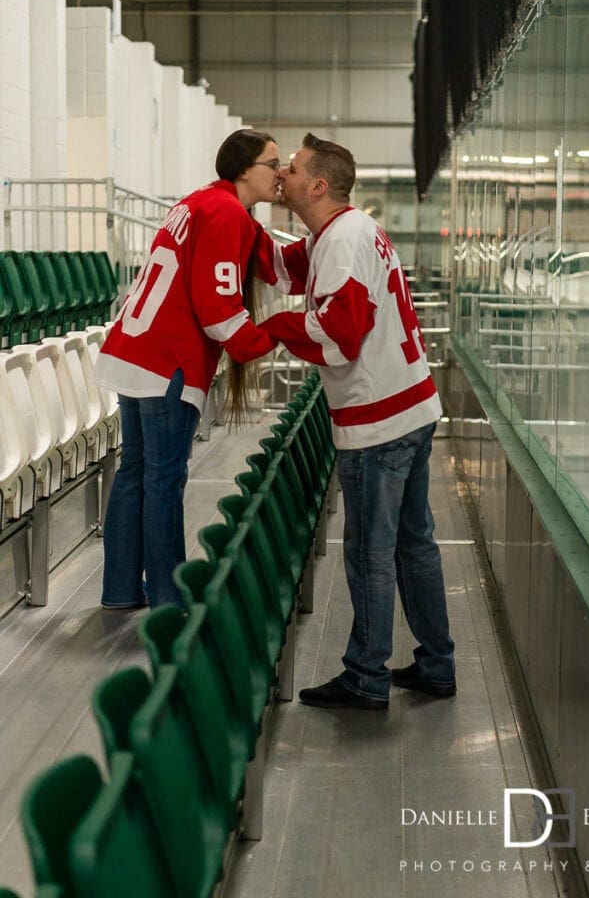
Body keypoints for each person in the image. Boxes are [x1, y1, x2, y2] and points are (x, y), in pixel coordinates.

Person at [256, 133, 456, 710]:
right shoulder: (346, 231)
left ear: (317, 185)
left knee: (371, 551)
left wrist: (272, 331)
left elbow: (340, 338)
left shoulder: (341, 241)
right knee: (414, 544)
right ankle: (436, 664)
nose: (281, 175)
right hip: (412, 406)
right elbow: (283, 267)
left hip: (380, 422)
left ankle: (366, 676)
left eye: (289, 169)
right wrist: (236, 212)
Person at [94, 128, 279, 609]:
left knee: (136, 471)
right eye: (272, 165)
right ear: (244, 169)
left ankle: (119, 589)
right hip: (166, 361)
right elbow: (217, 306)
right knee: (161, 478)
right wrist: (262, 341)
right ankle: (169, 600)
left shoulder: (198, 202)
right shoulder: (225, 212)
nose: (280, 174)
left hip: (135, 351)